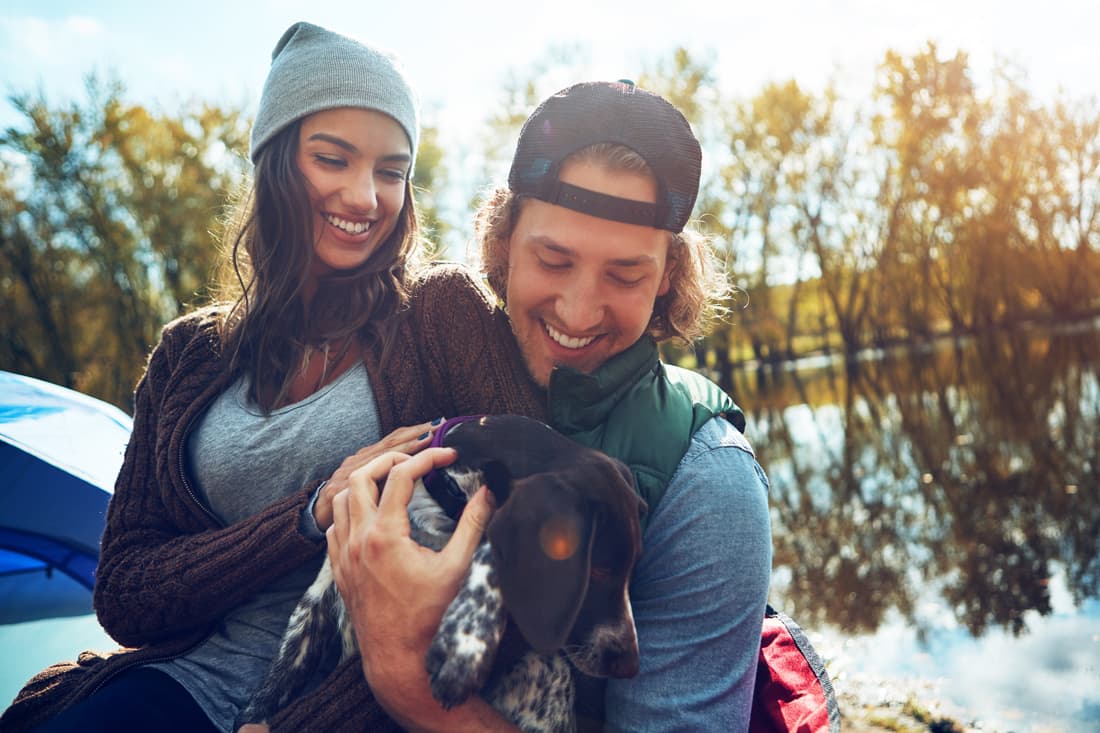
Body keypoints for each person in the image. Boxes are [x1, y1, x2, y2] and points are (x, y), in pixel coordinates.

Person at [0, 21, 493, 733]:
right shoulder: (188, 355)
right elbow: (126, 592)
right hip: (180, 685)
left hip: (365, 705)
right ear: (274, 162)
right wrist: (309, 511)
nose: (365, 196)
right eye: (333, 158)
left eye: (391, 170)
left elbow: (521, 535)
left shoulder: (440, 313)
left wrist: (301, 724)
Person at [329, 80, 774, 732]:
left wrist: (408, 679)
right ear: (504, 244)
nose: (578, 309)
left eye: (624, 275)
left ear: (668, 279)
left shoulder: (709, 482)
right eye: (553, 258)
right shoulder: (432, 375)